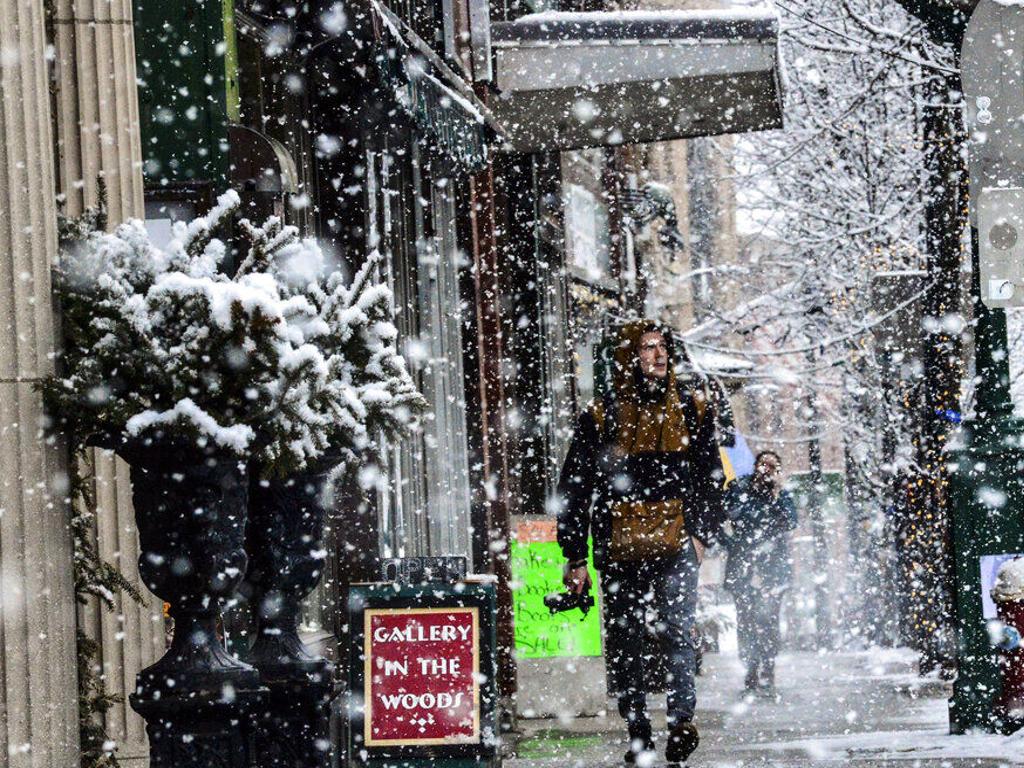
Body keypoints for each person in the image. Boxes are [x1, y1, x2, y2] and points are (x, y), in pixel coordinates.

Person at [556, 321, 725, 765]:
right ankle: (638, 732)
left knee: (677, 633)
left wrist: (701, 533)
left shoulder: (692, 408)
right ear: (630, 357)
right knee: (626, 639)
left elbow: (712, 476)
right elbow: (574, 486)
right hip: (618, 543)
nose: (659, 355)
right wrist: (575, 553)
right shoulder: (602, 414)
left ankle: (681, 720)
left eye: (662, 347)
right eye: (648, 348)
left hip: (675, 541)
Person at [723, 450, 798, 698]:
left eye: (773, 466)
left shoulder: (782, 495)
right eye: (764, 464)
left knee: (768, 621)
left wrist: (776, 496)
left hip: (772, 570)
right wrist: (732, 544)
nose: (767, 470)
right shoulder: (740, 490)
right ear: (756, 467)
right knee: (746, 621)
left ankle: (768, 667)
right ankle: (751, 668)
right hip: (744, 567)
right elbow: (726, 514)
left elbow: (790, 521)